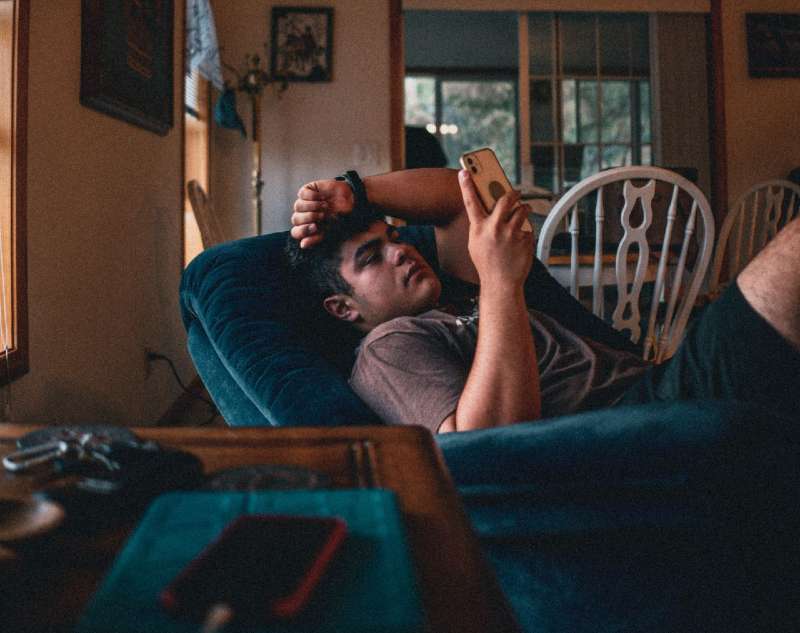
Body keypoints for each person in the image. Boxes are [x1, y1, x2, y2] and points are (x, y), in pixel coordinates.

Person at [286, 168, 800, 434]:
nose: (401, 251)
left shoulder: (455, 290)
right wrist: (501, 283)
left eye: (393, 237)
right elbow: (484, 450)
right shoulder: (390, 344)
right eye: (373, 257)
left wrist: (354, 191)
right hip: (647, 420)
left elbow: (460, 197)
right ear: (343, 307)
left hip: (657, 380)